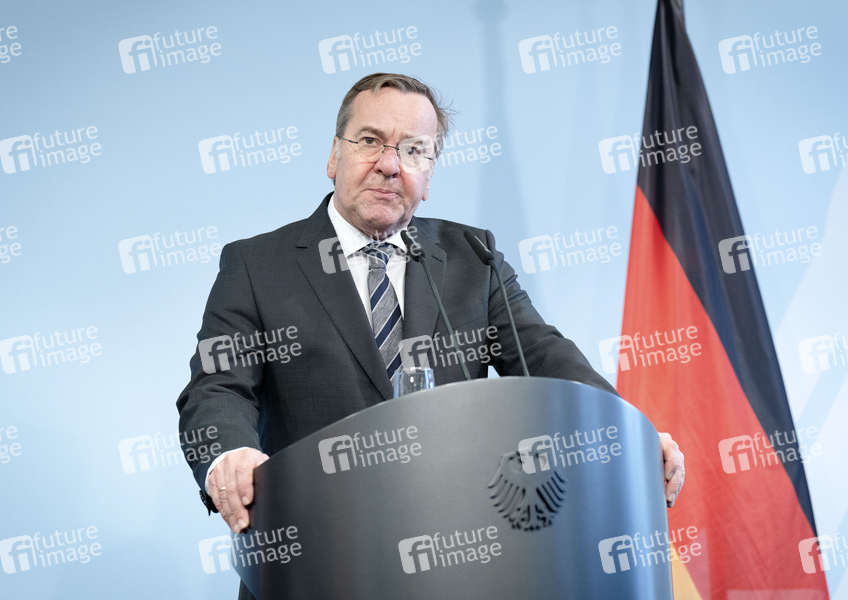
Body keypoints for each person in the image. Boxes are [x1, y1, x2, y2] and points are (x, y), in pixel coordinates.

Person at [176, 72, 684, 599]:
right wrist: (229, 455)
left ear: (429, 172)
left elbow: (546, 356)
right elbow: (215, 388)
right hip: (316, 565)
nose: (390, 165)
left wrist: (627, 430)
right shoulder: (259, 265)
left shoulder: (473, 257)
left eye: (414, 150)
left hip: (457, 566)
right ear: (334, 156)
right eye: (370, 140)